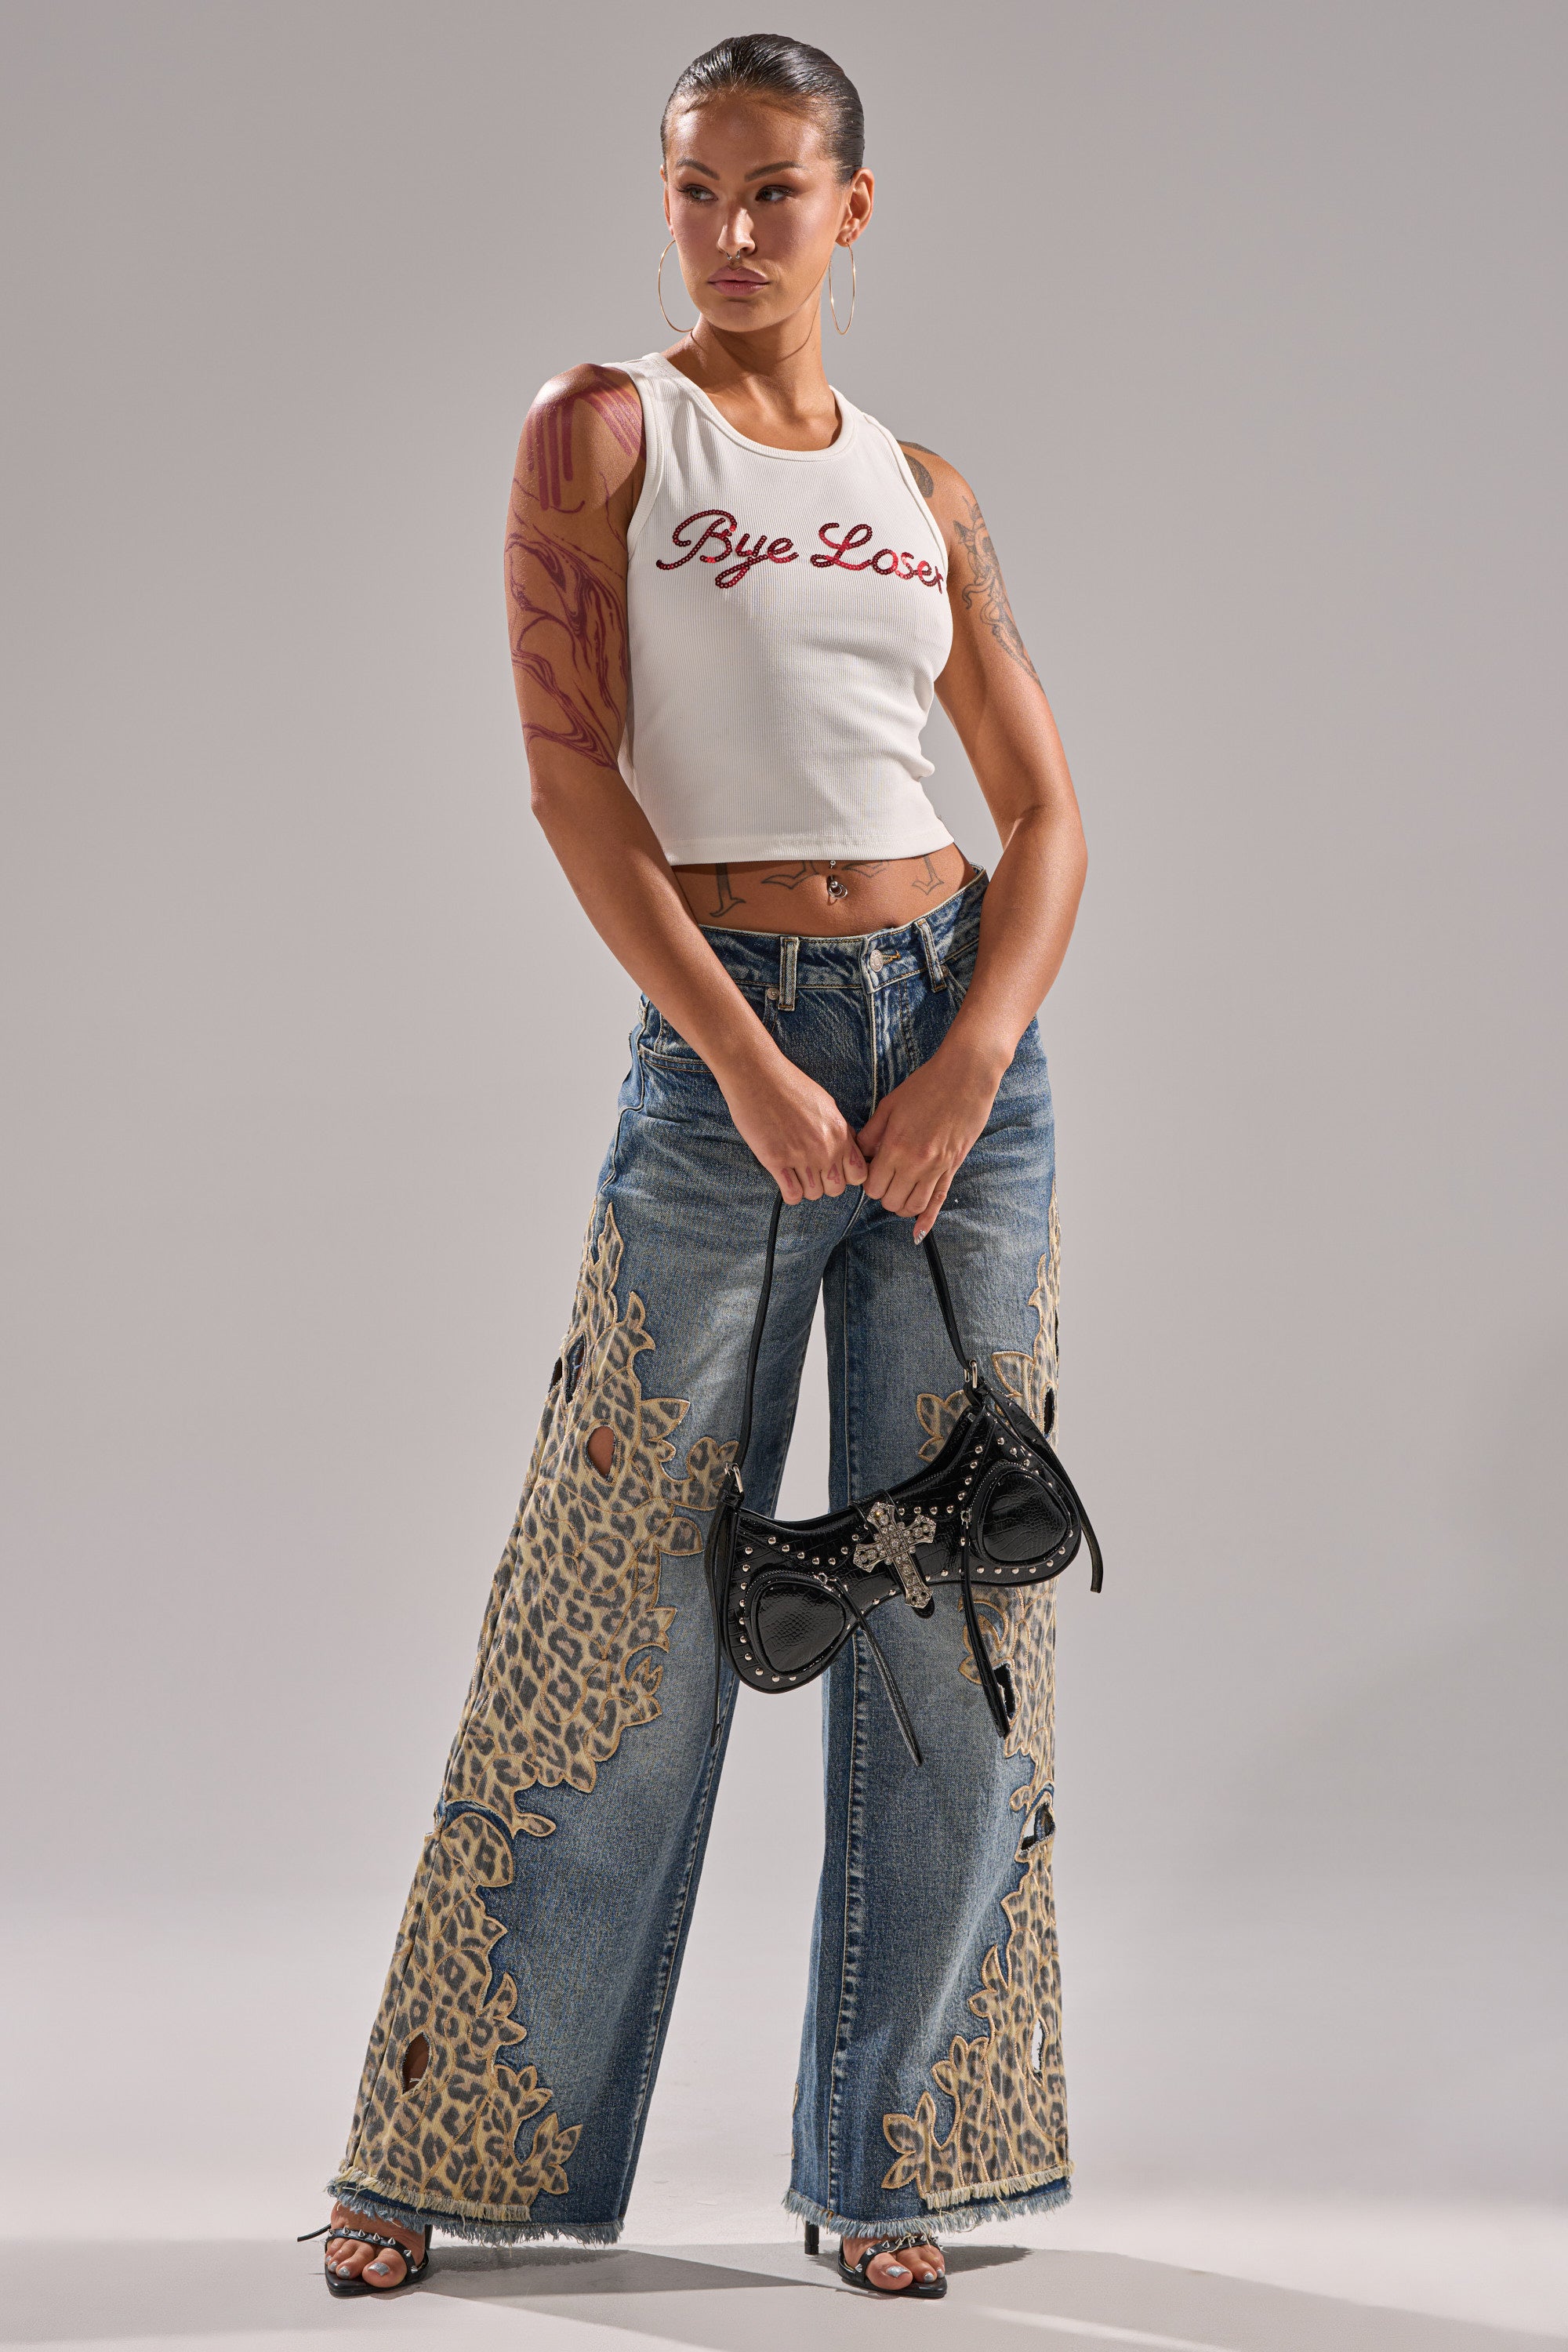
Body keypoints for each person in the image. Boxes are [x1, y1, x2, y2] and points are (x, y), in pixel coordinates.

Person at [310, 31, 1088, 2303]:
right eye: (697, 192)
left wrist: (971, 1060)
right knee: (617, 1606)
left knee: (961, 1606)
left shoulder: (921, 487)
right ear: (667, 205)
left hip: (959, 1052)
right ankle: (446, 2145)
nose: (735, 233)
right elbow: (575, 781)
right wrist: (743, 1060)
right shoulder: (601, 434)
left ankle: (905, 2165)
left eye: (778, 193)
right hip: (722, 1063)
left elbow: (1044, 814)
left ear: (856, 209)